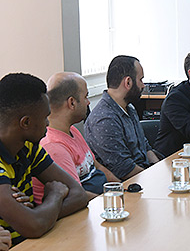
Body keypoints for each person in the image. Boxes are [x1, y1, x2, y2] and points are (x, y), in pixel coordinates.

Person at [0, 73, 88, 246]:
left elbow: (79, 194)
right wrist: (54, 196)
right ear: (25, 123)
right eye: (45, 117)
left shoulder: (29, 148)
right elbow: (34, 225)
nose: (48, 123)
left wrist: (39, 213)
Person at [32, 72, 118, 203]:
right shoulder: (54, 146)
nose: (88, 102)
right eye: (85, 97)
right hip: (86, 212)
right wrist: (110, 203)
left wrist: (121, 189)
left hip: (100, 203)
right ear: (72, 103)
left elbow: (98, 167)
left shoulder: (72, 130)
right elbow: (78, 195)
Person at [85, 56, 159, 181]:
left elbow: (145, 147)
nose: (143, 85)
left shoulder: (129, 107)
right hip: (131, 184)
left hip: (144, 175)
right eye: (140, 80)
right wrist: (154, 177)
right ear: (128, 82)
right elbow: (124, 169)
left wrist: (159, 169)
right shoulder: (104, 119)